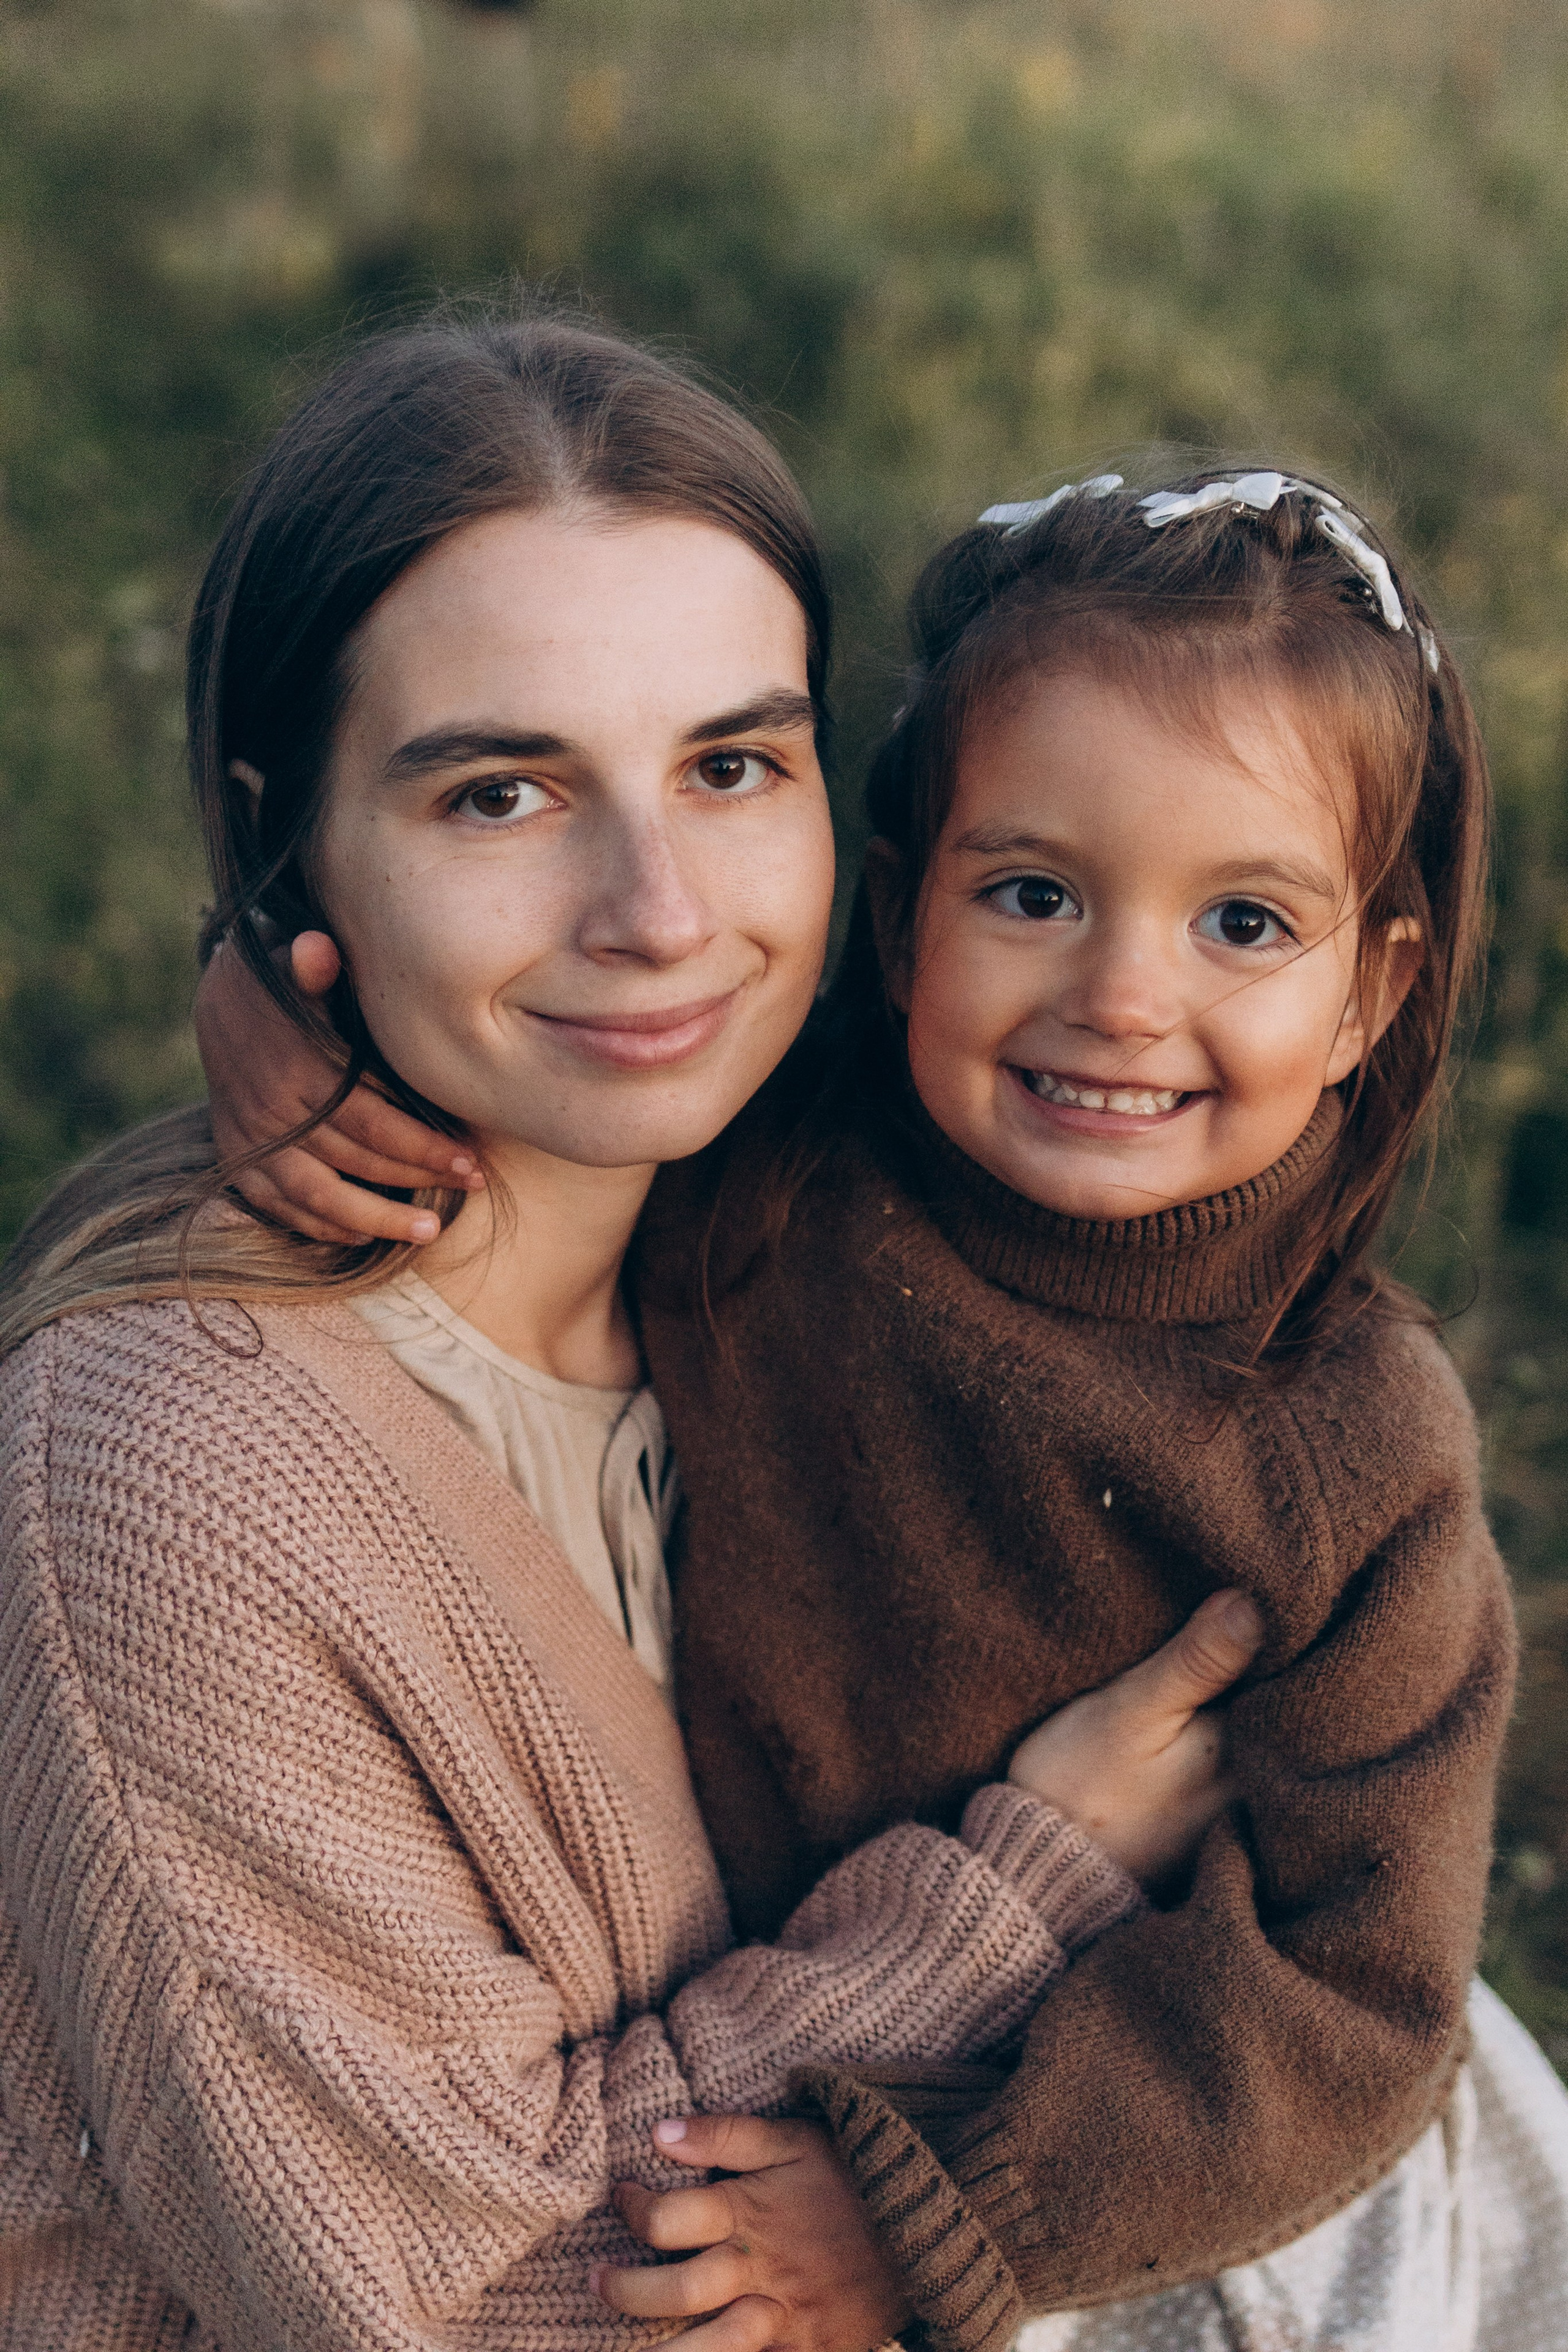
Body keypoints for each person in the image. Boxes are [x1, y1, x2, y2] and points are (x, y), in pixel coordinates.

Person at [0, 312, 1261, 2352]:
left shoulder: (817, 1206)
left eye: (731, 766)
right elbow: (443, 2301)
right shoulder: (171, 1480)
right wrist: (1021, 1894)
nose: (661, 914)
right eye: (500, 796)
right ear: (283, 831)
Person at [217, 463, 1568, 2350]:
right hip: (774, 2079)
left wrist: (941, 2216)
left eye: (1247, 926)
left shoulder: (1348, 1442)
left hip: (1156, 2198)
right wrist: (280, 1003)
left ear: (1371, 994)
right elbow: (528, 1026)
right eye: (1033, 894)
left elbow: (1351, 1993)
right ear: (900, 914)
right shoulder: (784, 1159)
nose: (1120, 996)